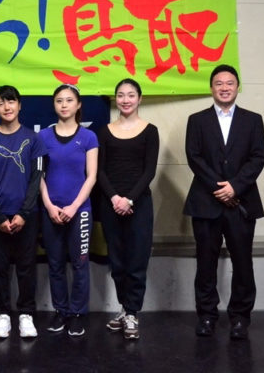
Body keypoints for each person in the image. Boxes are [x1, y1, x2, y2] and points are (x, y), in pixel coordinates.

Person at [184, 64, 264, 340]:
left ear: (237, 87)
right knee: (205, 263)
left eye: (230, 83)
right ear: (211, 88)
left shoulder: (253, 120)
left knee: (243, 262)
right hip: (205, 203)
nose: (224, 88)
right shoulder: (197, 120)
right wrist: (219, 187)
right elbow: (194, 156)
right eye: (219, 83)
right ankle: (207, 315)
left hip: (242, 202)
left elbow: (258, 157)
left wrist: (235, 187)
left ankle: (240, 318)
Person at [0, 85, 46, 339]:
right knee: (0, 267)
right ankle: (3, 314)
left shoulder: (34, 140)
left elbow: (37, 177)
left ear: (19, 105)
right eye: (1, 103)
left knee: (27, 266)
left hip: (28, 216)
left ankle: (26, 314)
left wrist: (24, 214)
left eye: (11, 101)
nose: (7, 107)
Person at [98, 78, 159, 340]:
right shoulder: (104, 131)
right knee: (118, 261)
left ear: (139, 99)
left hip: (139, 205)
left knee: (137, 260)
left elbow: (149, 171)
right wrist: (114, 198)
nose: (126, 100)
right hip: (110, 204)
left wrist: (129, 200)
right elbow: (99, 170)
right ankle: (125, 308)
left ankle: (133, 311)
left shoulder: (150, 131)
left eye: (131, 95)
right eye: (121, 95)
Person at [39, 84, 98, 337]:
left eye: (69, 100)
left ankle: (77, 314)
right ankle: (61, 311)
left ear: (78, 104)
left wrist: (74, 206)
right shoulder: (43, 136)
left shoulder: (88, 137)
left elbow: (92, 176)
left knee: (80, 264)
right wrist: (49, 205)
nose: (64, 105)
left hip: (80, 211)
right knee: (55, 264)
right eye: (59, 100)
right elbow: (39, 175)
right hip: (51, 211)